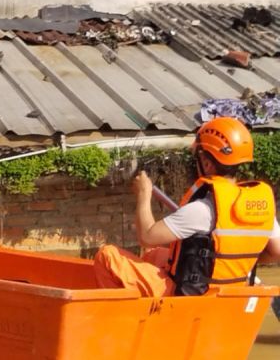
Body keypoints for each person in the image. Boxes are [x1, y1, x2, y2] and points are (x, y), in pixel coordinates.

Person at [94, 117, 280, 297]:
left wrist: (144, 194)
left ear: (206, 163)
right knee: (155, 255)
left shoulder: (203, 209)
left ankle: (131, 319)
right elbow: (276, 252)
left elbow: (147, 237)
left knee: (107, 255)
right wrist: (237, 264)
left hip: (192, 293)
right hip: (229, 290)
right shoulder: (260, 208)